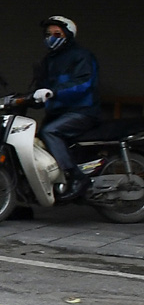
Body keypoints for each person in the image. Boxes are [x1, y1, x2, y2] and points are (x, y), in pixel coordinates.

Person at [32, 15, 99, 201]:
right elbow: (42, 87)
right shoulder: (49, 60)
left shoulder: (82, 56)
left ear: (68, 35)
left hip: (81, 111)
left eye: (57, 34)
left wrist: (53, 92)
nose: (51, 37)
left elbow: (83, 83)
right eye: (48, 34)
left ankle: (76, 177)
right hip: (58, 112)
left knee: (50, 132)